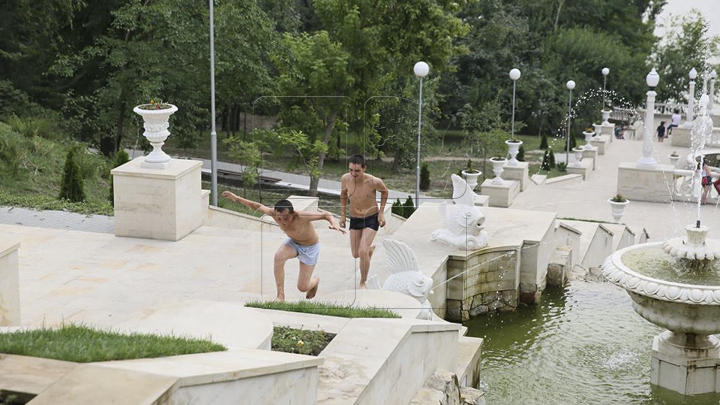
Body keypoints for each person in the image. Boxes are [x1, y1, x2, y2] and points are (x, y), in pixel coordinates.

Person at [221, 191, 345, 301]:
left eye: (286, 218)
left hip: (310, 248)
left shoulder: (302, 216)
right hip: (293, 243)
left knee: (302, 287)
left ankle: (315, 281)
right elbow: (256, 206)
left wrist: (334, 224)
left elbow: (326, 214)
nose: (283, 222)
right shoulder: (274, 214)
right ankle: (280, 296)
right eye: (279, 219)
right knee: (278, 257)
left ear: (292, 214)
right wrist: (236, 198)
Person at [339, 154, 389, 289]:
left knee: (362, 251)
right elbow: (343, 195)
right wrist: (343, 215)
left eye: (357, 171)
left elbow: (385, 192)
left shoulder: (373, 181)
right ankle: (369, 251)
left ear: (364, 168)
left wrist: (381, 213)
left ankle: (363, 282)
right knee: (356, 254)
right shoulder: (345, 179)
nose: (353, 173)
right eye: (351, 170)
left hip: (371, 218)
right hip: (355, 218)